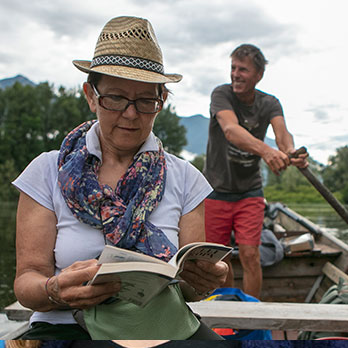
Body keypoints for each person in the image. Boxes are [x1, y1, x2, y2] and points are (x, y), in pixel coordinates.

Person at [12, 16, 229, 340]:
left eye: (145, 101)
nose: (130, 113)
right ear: (91, 95)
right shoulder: (46, 172)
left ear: (162, 102)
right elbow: (27, 281)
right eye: (115, 98)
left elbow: (187, 291)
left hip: (162, 327)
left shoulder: (185, 178)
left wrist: (204, 279)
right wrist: (55, 290)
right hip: (70, 328)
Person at [203, 44, 308, 298]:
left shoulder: (269, 102)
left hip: (249, 192)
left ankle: (251, 312)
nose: (236, 74)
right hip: (215, 190)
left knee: (251, 254)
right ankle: (226, 310)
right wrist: (267, 151)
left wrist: (292, 153)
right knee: (220, 258)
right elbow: (230, 130)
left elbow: (283, 136)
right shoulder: (221, 94)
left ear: (258, 75)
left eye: (243, 70)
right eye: (233, 68)